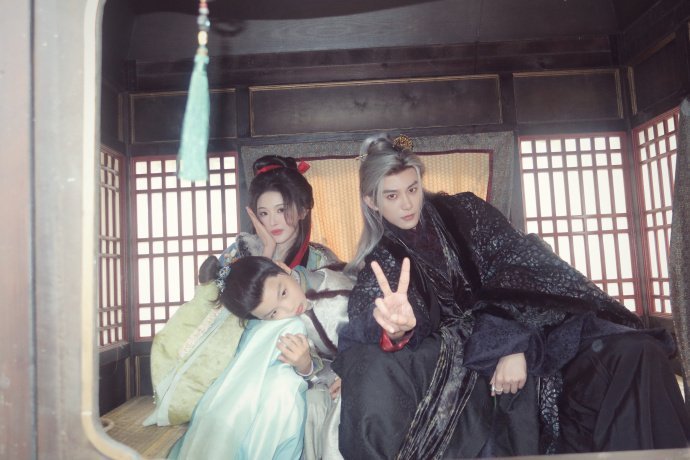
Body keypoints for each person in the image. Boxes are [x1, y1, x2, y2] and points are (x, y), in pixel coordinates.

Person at [332, 133, 690, 459]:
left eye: (413, 189)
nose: (407, 204)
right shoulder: (382, 261)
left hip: (535, 327)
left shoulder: (466, 211)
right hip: (475, 363)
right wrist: (395, 329)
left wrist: (510, 342)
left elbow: (519, 261)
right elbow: (364, 317)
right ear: (372, 202)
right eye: (392, 196)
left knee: (637, 351)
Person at [147, 155, 340, 429]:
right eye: (264, 213)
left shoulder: (321, 259)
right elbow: (224, 316)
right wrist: (266, 254)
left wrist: (308, 364)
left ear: (302, 210)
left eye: (281, 209)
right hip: (246, 360)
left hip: (304, 360)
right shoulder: (241, 251)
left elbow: (333, 321)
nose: (273, 221)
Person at [168, 255, 351, 460]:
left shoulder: (338, 290)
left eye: (283, 293)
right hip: (323, 378)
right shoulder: (283, 325)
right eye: (273, 313)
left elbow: (368, 341)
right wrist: (305, 367)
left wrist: (350, 374)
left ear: (283, 268)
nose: (289, 308)